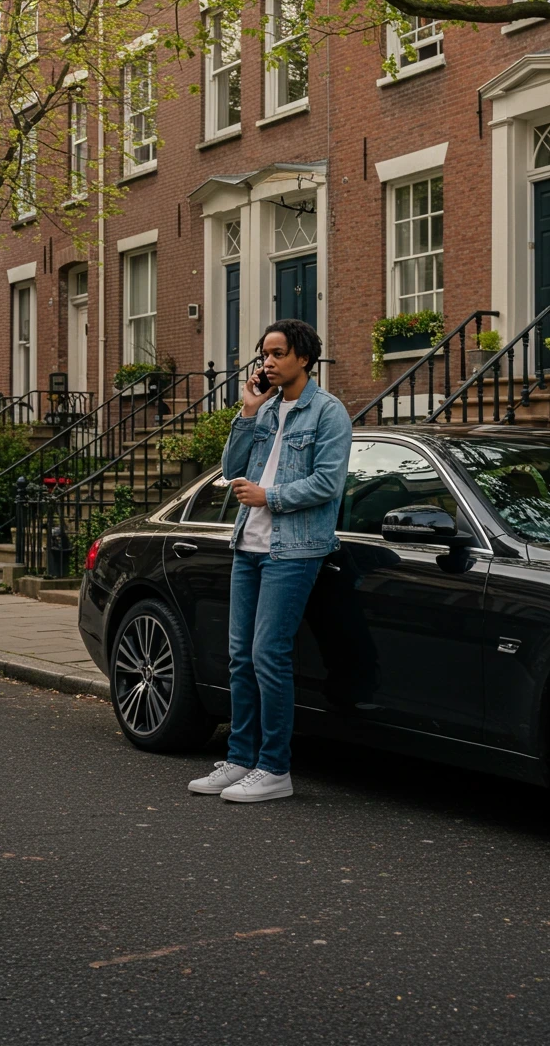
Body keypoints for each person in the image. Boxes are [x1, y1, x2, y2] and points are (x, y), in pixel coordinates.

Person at [189, 319, 352, 803]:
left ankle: (274, 768)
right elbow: (231, 471)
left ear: (304, 356)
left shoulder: (328, 413)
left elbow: (328, 484)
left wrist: (270, 496)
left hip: (295, 549)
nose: (268, 362)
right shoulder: (265, 411)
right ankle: (240, 758)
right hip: (249, 547)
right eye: (264, 354)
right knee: (241, 657)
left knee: (268, 655)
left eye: (277, 353)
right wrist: (246, 410)